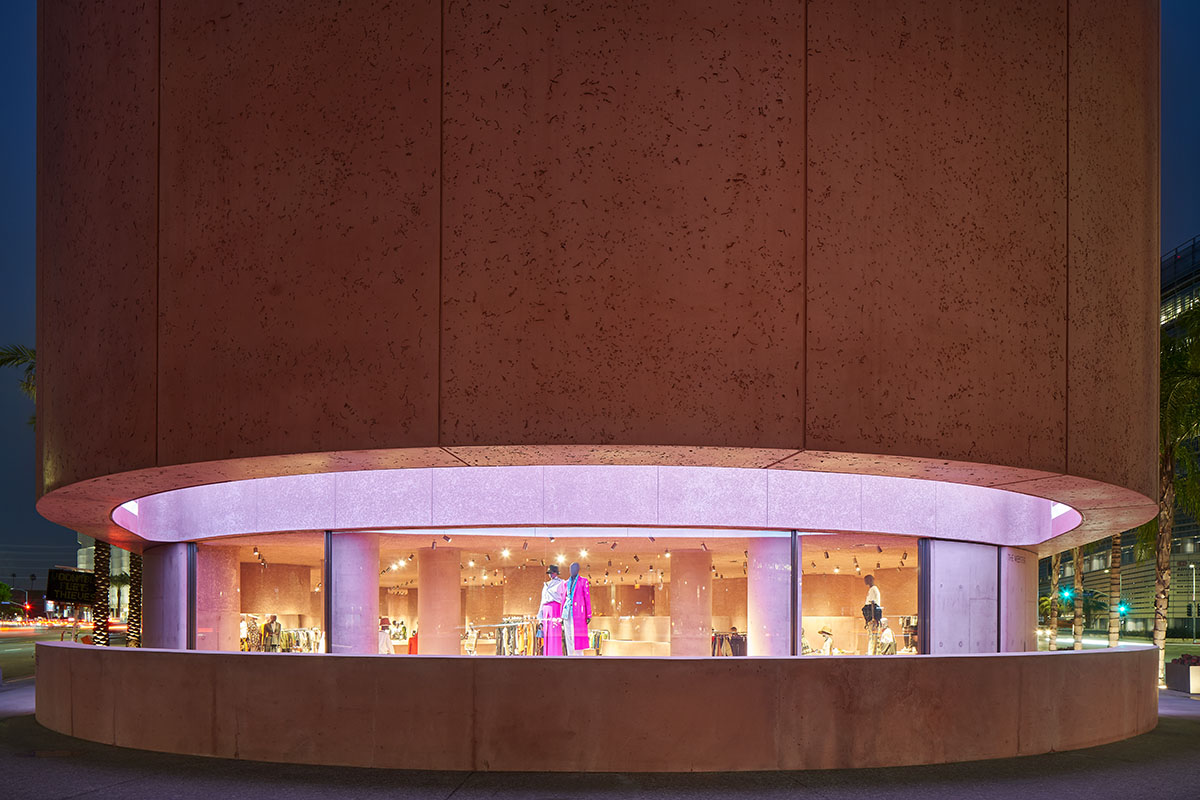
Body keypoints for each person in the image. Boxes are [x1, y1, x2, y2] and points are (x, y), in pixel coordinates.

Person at [540, 565, 566, 656]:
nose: (551, 575)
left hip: (555, 608)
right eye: (550, 573)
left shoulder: (561, 583)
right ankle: (547, 654)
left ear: (556, 573)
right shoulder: (546, 585)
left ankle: (555, 654)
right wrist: (540, 616)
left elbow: (564, 598)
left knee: (554, 633)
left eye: (552, 573)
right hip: (545, 608)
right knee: (546, 633)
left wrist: (563, 614)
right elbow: (542, 600)